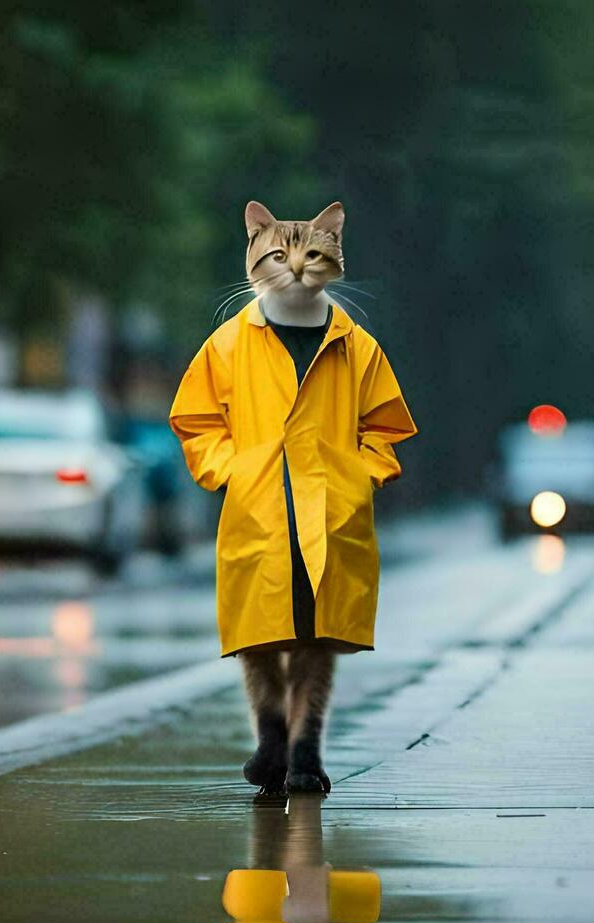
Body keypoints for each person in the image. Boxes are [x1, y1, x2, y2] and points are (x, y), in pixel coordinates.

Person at [169, 201, 416, 797]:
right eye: (279, 254)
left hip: (329, 515)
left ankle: (306, 748)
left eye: (314, 252)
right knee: (257, 635)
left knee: (315, 638)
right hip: (258, 512)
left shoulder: (356, 347)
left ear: (334, 254)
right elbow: (196, 420)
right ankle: (271, 734)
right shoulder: (228, 344)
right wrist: (231, 470)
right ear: (254, 251)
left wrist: (361, 476)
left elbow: (386, 426)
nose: (298, 268)